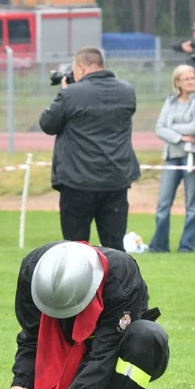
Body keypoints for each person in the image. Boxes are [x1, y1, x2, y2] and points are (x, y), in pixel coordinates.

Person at [0, 241, 170, 389]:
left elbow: (102, 360)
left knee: (146, 336)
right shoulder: (32, 271)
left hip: (119, 356)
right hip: (71, 357)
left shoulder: (121, 276)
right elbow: (32, 339)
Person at [39, 47, 139, 251]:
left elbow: (47, 124)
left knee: (76, 248)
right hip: (115, 179)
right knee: (114, 249)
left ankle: (82, 284)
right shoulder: (126, 91)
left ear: (81, 68)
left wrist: (66, 93)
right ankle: (117, 283)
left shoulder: (72, 94)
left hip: (78, 180)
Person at [150, 64, 195, 253]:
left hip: (193, 156)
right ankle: (159, 245)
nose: (191, 82)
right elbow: (159, 128)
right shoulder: (170, 100)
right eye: (187, 79)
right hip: (171, 157)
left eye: (193, 78)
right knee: (163, 203)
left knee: (191, 203)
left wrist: (172, 126)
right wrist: (180, 137)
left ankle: (186, 246)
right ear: (178, 82)